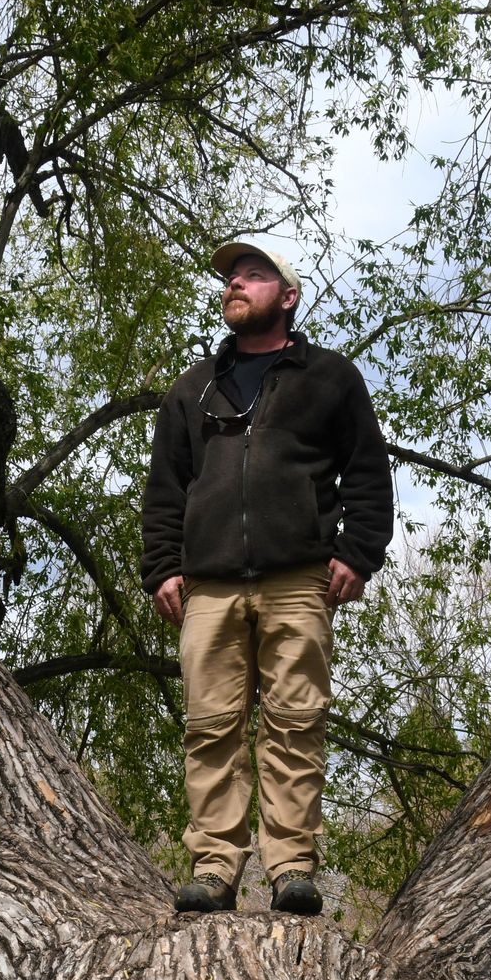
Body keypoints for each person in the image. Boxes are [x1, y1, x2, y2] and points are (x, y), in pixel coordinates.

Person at [139, 239, 393, 916]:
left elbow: (368, 471)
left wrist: (357, 553)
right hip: (209, 585)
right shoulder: (193, 388)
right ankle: (216, 870)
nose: (234, 284)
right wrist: (162, 567)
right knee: (211, 725)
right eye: (229, 277)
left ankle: (290, 871)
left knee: (294, 722)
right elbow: (166, 488)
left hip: (299, 578)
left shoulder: (330, 378)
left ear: (288, 296)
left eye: (252, 275)